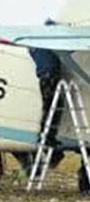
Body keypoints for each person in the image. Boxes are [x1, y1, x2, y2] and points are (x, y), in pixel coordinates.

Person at [28, 19, 65, 167]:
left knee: (49, 109)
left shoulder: (35, 45)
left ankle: (47, 139)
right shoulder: (47, 43)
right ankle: (47, 139)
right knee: (54, 108)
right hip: (50, 78)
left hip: (44, 78)